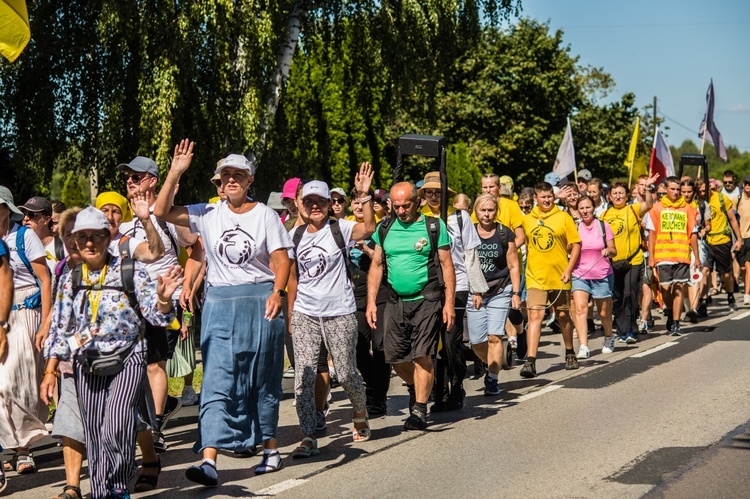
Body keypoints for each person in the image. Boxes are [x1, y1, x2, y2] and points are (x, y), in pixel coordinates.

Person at [154, 140, 292, 484]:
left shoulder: (266, 215)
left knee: (261, 379)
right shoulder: (207, 212)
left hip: (260, 301)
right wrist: (175, 172)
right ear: (218, 182)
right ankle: (209, 459)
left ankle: (270, 448)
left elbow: (281, 261)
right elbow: (160, 212)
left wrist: (278, 292)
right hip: (218, 304)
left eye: (238, 175)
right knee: (216, 379)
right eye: (225, 175)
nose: (231, 180)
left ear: (249, 180)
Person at [40, 206, 180, 499]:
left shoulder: (131, 271)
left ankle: (117, 483)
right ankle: (103, 492)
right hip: (86, 362)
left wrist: (165, 299)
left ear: (108, 238)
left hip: (128, 358)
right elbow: (61, 329)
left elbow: (158, 317)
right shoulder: (70, 278)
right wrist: (50, 371)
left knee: (116, 423)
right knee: (93, 434)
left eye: (97, 236)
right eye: (83, 237)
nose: (90, 243)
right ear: (75, 242)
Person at [287, 167, 375, 458]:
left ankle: (359, 409)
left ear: (328, 204)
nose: (315, 206)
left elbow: (369, 229)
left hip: (340, 311)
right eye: (309, 201)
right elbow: (292, 278)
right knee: (304, 376)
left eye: (321, 201)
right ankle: (309, 434)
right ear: (301, 204)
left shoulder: (341, 228)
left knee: (347, 371)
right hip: (305, 313)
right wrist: (291, 315)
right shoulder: (295, 235)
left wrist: (364, 196)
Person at [118, 155, 199, 451]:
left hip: (163, 300)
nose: (130, 181)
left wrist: (187, 287)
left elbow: (196, 249)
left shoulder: (168, 215)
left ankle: (155, 428)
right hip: (131, 305)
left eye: (136, 176)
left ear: (153, 181)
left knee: (154, 365)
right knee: (132, 368)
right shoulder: (125, 224)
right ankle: (155, 412)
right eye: (127, 177)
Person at [367, 182, 455, 430]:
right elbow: (376, 265)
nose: (401, 210)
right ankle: (418, 386)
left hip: (427, 299)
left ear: (418, 202)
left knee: (421, 354)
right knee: (394, 358)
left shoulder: (433, 227)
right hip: (395, 301)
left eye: (406, 205)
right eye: (396, 206)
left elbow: (447, 265)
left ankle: (419, 410)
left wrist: (448, 303)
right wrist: (372, 302)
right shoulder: (385, 228)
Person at [419, 171, 483, 411]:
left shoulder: (459, 218)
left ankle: (456, 386)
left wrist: (477, 289)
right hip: (429, 285)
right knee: (430, 340)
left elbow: (470, 254)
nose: (434, 196)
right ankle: (438, 390)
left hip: (458, 284)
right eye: (429, 192)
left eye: (438, 192)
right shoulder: (420, 218)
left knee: (450, 339)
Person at [0, 185, 51, 476]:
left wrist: (45, 321)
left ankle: (23, 449)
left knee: (15, 383)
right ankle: (10, 444)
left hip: (25, 310)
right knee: (0, 386)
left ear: (7, 209)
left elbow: (45, 280)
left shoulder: (24, 236)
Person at [520, 181, 581, 377]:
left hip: (560, 276)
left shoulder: (563, 217)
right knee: (534, 316)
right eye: (543, 197)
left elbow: (576, 244)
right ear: (535, 199)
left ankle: (570, 351)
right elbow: (523, 244)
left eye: (549, 197)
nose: (546, 200)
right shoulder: (528, 220)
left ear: (553, 197)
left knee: (563, 316)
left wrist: (569, 269)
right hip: (535, 276)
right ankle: (530, 361)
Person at [467, 194, 519, 395]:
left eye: (491, 210)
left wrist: (515, 292)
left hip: (500, 289)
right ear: (476, 211)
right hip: (476, 292)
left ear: (496, 211)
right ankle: (495, 362)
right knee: (477, 342)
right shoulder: (469, 232)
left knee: (494, 337)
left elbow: (513, 265)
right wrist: (475, 290)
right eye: (483, 210)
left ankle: (492, 378)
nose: (487, 214)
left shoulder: (504, 233)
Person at [347, 188, 390, 416]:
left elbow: (386, 260)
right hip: (353, 297)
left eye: (361, 202)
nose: (357, 206)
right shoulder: (345, 228)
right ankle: (372, 385)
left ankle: (379, 398)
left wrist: (367, 249)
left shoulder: (382, 228)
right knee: (358, 347)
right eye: (354, 202)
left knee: (381, 346)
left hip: (381, 294)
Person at [601, 176, 657, 343]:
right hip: (612, 263)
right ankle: (621, 330)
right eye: (614, 193)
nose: (618, 196)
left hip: (633, 260)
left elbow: (649, 204)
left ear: (627, 196)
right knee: (617, 297)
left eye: (621, 193)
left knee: (630, 294)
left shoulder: (633, 209)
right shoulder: (604, 215)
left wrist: (647, 188)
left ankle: (631, 330)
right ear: (609, 196)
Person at [646, 177, 700, 336]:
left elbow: (693, 234)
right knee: (666, 290)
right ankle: (670, 312)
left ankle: (676, 322)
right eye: (673, 189)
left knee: (678, 289)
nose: (676, 192)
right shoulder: (656, 208)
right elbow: (652, 234)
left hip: (682, 255)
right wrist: (651, 257)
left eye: (678, 189)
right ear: (666, 189)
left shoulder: (688, 209)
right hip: (662, 256)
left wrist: (696, 257)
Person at [571, 196, 616, 358]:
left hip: (602, 274)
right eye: (581, 208)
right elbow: (569, 248)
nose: (585, 211)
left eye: (588, 207)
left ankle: (609, 337)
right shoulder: (575, 227)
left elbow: (614, 250)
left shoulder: (603, 226)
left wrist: (607, 251)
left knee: (604, 313)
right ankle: (583, 346)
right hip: (580, 274)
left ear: (594, 208)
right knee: (580, 308)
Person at [701, 180, 742, 311]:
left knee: (725, 274)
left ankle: (730, 295)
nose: (702, 193)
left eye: (704, 190)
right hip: (706, 242)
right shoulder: (698, 201)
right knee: (704, 272)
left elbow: (732, 219)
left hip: (722, 241)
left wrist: (739, 239)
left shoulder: (721, 198)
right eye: (700, 191)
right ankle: (703, 301)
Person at [736, 175, 750, 304]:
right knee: (743, 268)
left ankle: (747, 293)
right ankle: (746, 286)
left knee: (748, 265)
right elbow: (732, 218)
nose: (748, 186)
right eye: (746, 183)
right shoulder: (738, 199)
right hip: (740, 237)